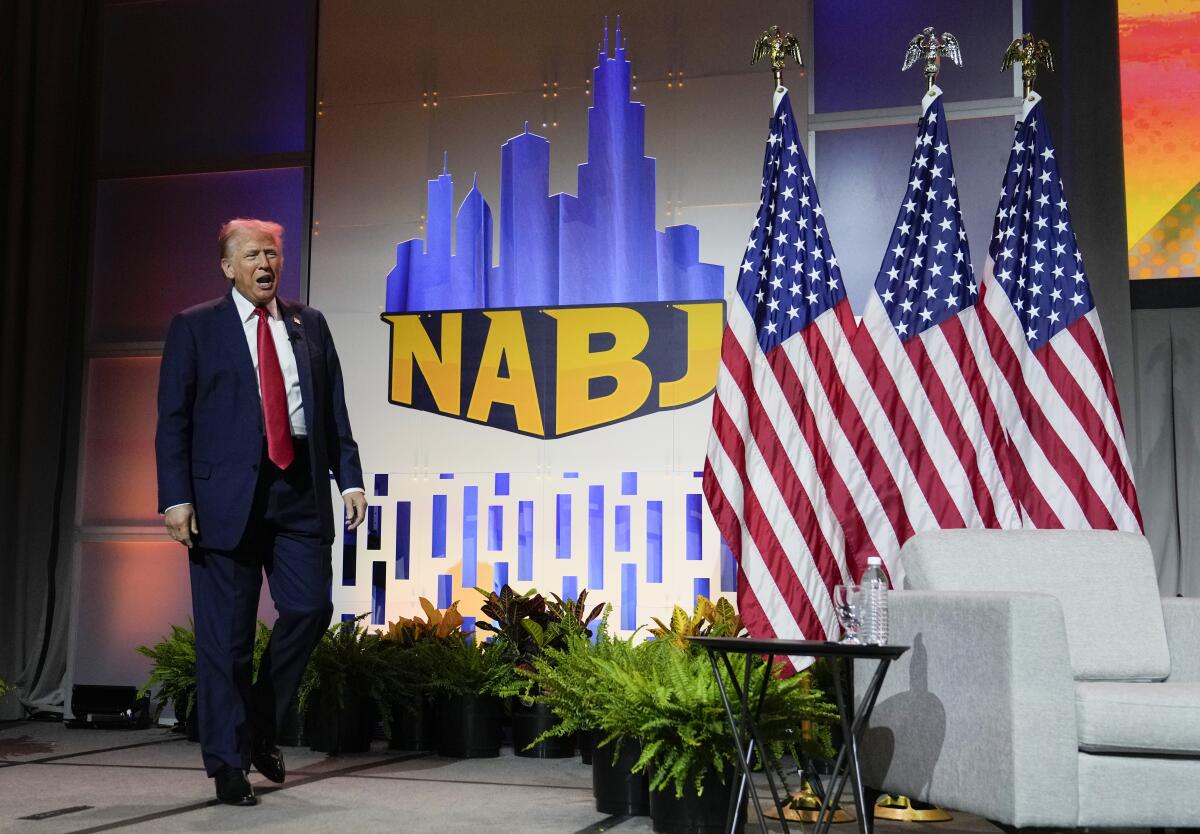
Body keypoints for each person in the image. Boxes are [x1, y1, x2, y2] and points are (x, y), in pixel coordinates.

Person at [155, 218, 366, 806]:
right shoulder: (195, 328)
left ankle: (258, 720)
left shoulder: (310, 324)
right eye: (251, 256)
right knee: (226, 642)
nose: (264, 265)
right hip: (223, 500)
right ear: (228, 267)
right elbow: (173, 420)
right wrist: (176, 497)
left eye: (271, 254)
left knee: (308, 606)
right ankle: (227, 763)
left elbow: (333, 412)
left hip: (297, 487)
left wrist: (348, 480)